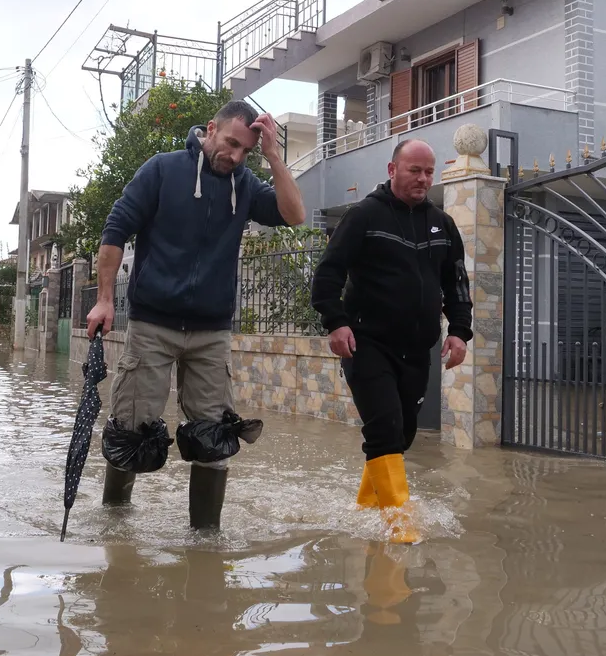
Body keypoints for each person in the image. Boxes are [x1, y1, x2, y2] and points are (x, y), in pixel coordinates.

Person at [85, 100, 306, 529]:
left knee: (214, 436)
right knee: (132, 427)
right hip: (152, 325)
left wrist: (274, 158)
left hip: (211, 332)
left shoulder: (245, 184)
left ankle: (205, 539)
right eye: (231, 144)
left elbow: (293, 215)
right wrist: (105, 298)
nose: (236, 156)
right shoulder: (162, 170)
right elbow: (115, 230)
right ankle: (115, 526)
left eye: (246, 150)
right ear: (211, 129)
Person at [310, 139, 472, 543]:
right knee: (384, 427)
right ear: (392, 169)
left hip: (417, 348)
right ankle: (400, 525)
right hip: (367, 344)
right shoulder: (363, 216)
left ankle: (364, 510)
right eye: (414, 170)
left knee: (402, 435)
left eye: (428, 172)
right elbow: (328, 274)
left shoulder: (443, 224)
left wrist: (459, 331)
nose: (422, 179)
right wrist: (336, 322)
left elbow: (457, 284)